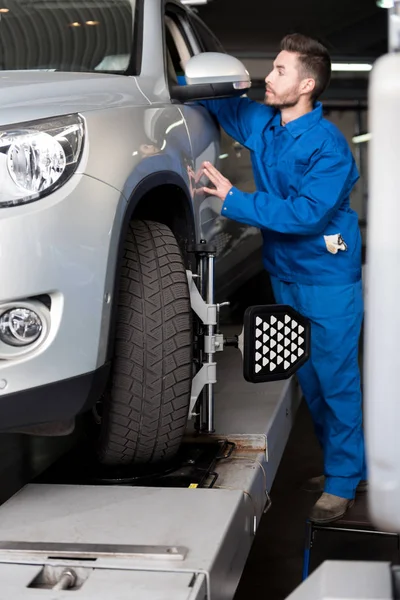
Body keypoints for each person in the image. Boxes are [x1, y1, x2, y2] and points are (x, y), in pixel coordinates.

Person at [199, 33, 366, 524]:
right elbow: (224, 103)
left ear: (307, 84)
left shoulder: (330, 147)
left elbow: (307, 215)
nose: (267, 79)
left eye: (279, 71)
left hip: (327, 276)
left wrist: (233, 199)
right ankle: (346, 469)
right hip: (286, 274)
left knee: (336, 382)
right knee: (310, 380)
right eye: (271, 68)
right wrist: (191, 70)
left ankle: (340, 483)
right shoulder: (266, 124)